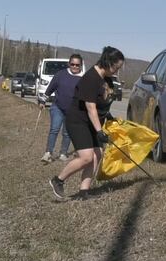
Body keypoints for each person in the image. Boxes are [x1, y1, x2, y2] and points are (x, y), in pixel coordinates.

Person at [49, 46, 124, 200]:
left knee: (97, 155)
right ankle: (58, 180)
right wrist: (99, 131)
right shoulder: (91, 78)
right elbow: (90, 107)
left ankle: (84, 192)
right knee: (86, 157)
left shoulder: (106, 78)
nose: (117, 71)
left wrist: (108, 116)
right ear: (108, 62)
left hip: (92, 121)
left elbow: (101, 101)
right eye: (116, 67)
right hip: (78, 121)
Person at [41, 53, 85, 163]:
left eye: (77, 65)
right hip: (58, 107)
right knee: (54, 129)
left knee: (67, 133)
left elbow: (86, 95)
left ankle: (63, 153)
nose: (74, 67)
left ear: (81, 65)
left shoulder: (83, 78)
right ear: (69, 64)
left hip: (72, 111)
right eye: (72, 64)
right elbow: (50, 88)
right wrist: (43, 100)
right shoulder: (61, 74)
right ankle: (48, 153)